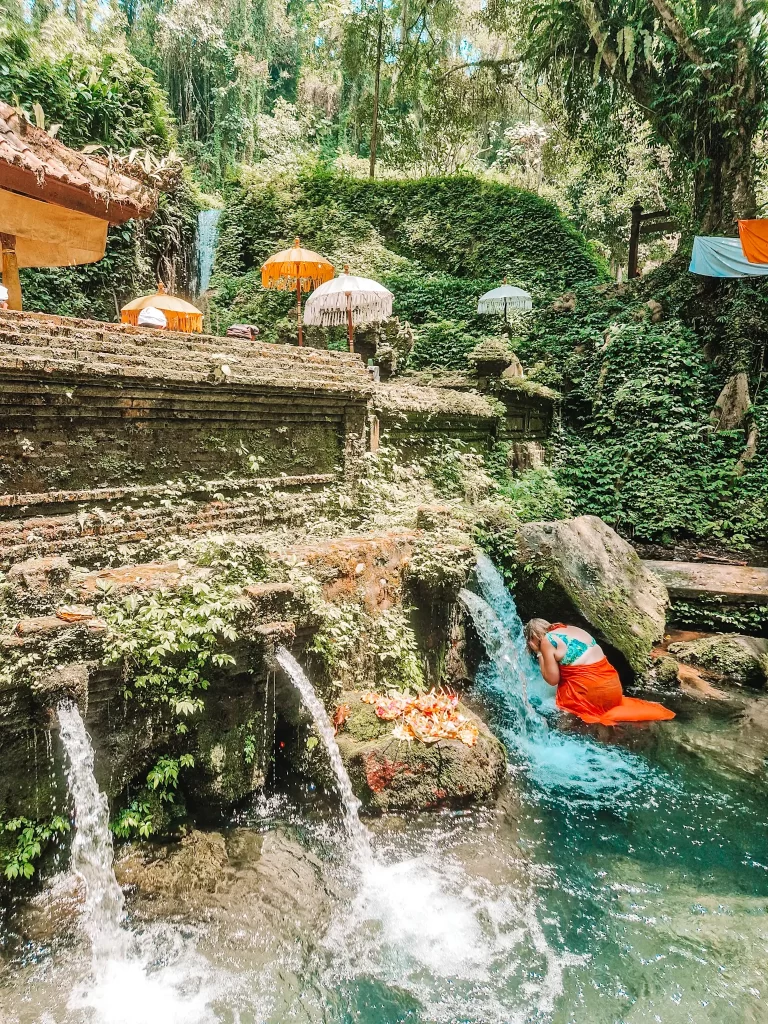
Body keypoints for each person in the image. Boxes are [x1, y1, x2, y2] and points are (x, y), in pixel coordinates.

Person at [524, 618, 675, 726]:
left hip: (594, 695)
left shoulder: (546, 641)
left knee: (552, 706)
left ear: (533, 639)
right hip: (613, 686)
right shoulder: (570, 629)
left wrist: (539, 653)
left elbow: (552, 679)